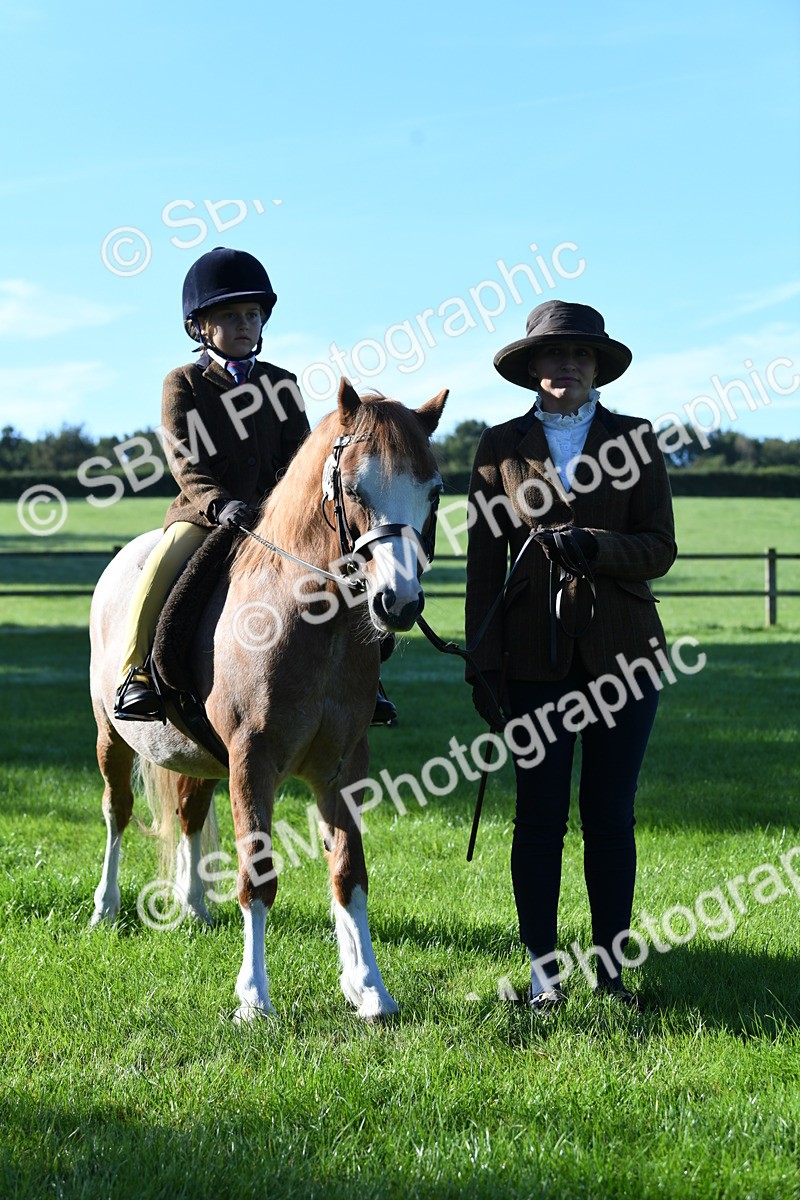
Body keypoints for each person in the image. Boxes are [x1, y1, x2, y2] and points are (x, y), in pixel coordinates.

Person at [465, 300, 677, 1010]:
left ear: (598, 368)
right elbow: (481, 568)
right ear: (532, 366)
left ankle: (611, 972)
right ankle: (541, 972)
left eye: (580, 356)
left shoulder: (639, 439)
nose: (567, 366)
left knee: (611, 815)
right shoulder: (496, 447)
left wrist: (599, 547)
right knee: (539, 815)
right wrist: (483, 666)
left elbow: (660, 548)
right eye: (554, 355)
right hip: (530, 658)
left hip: (625, 657)